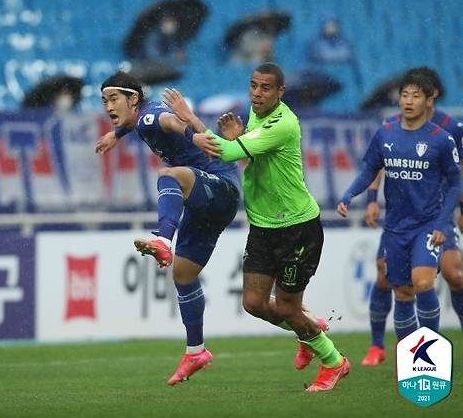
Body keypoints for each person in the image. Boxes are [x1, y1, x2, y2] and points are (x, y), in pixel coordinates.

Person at [164, 62, 349, 392]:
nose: (257, 93)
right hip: (263, 227)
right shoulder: (255, 116)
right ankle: (307, 330)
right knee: (254, 303)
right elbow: (251, 155)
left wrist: (189, 118)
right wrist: (243, 138)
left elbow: (224, 152)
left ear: (280, 92)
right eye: (253, 86)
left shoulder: (283, 123)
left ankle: (333, 361)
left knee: (289, 307)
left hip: (297, 229)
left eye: (265, 88)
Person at [94, 71, 241, 386]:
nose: (108, 106)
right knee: (184, 275)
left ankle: (163, 238)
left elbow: (169, 122)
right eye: (104, 100)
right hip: (208, 201)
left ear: (133, 98)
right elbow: (135, 124)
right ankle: (196, 351)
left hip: (222, 188)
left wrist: (193, 135)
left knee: (169, 175)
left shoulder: (150, 116)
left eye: (113, 98)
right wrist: (115, 135)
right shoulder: (137, 119)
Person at [337, 73, 460, 350]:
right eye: (405, 95)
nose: (408, 101)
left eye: (416, 96)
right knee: (402, 292)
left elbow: (455, 183)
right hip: (395, 227)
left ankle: (431, 351)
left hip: (427, 225)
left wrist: (443, 223)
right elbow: (370, 169)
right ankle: (409, 357)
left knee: (423, 281)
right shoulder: (386, 133)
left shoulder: (441, 140)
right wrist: (349, 193)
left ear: (429, 101)